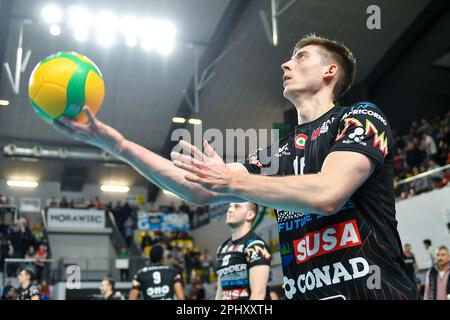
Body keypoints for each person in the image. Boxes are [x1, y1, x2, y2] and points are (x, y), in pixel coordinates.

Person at [52, 34, 420, 300]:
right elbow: (195, 188)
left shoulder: (360, 117)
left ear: (330, 72)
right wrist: (117, 144)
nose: (286, 63)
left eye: (301, 56)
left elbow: (328, 193)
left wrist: (233, 180)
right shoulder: (278, 153)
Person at [215, 202, 271, 300]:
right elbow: (220, 293)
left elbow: (258, 294)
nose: (230, 210)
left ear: (250, 215)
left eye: (237, 207)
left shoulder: (255, 246)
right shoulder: (222, 248)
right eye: (230, 206)